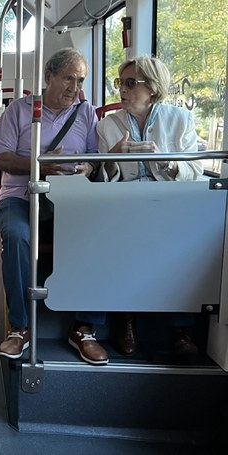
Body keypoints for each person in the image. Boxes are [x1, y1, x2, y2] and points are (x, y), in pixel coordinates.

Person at [0, 48, 108, 365]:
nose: (75, 87)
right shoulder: (19, 110)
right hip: (20, 194)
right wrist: (39, 165)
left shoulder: (86, 113)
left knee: (97, 234)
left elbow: (94, 159)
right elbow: (0, 157)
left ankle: (85, 327)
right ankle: (20, 327)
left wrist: (86, 168)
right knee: (17, 235)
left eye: (80, 80)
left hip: (68, 196)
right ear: (48, 77)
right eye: (68, 78)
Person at [98, 55, 203, 356]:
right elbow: (102, 178)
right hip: (125, 200)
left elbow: (195, 172)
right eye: (121, 83)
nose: (123, 90)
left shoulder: (180, 120)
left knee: (182, 244)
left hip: (167, 201)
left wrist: (167, 162)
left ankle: (181, 328)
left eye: (131, 83)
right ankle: (126, 319)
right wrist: (113, 157)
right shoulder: (108, 125)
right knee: (119, 236)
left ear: (153, 88)